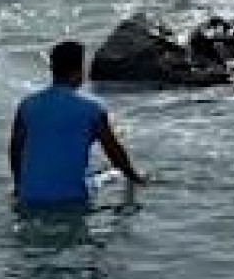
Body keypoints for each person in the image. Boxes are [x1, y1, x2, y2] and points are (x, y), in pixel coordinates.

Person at [8, 41, 147, 207]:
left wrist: (19, 185)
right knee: (111, 175)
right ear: (79, 71)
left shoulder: (27, 105)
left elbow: (15, 150)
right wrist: (136, 178)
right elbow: (114, 152)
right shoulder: (92, 110)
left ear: (52, 69)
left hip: (30, 196)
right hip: (71, 199)